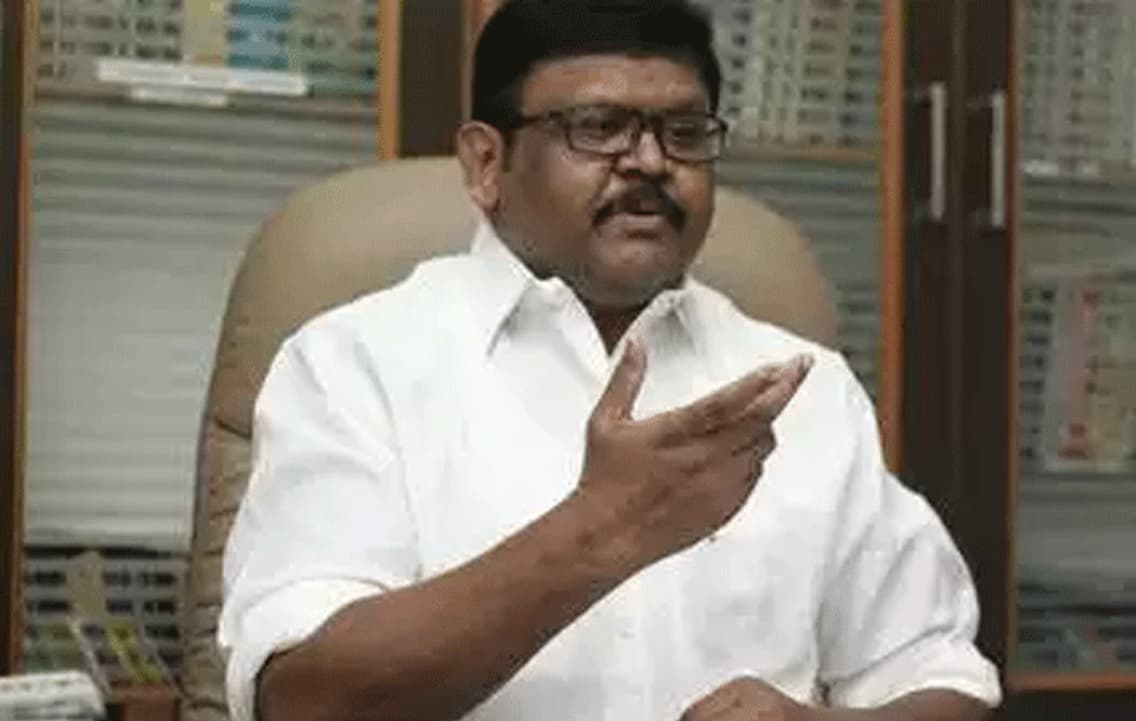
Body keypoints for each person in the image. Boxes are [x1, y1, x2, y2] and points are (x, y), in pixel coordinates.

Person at [217, 1, 1002, 720]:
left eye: (685, 131)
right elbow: (302, 699)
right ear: (486, 163)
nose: (651, 161)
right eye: (597, 127)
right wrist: (602, 528)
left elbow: (940, 675)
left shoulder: (799, 384)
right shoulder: (355, 365)